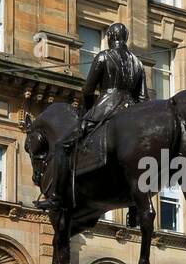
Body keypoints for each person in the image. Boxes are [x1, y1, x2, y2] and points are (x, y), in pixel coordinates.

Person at [40, 21, 149, 210]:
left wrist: (88, 112)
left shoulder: (103, 57)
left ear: (110, 38)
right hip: (131, 112)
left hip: (106, 106)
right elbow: (143, 98)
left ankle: (56, 195)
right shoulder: (138, 64)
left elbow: (88, 89)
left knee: (61, 145)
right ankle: (135, 207)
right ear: (125, 39)